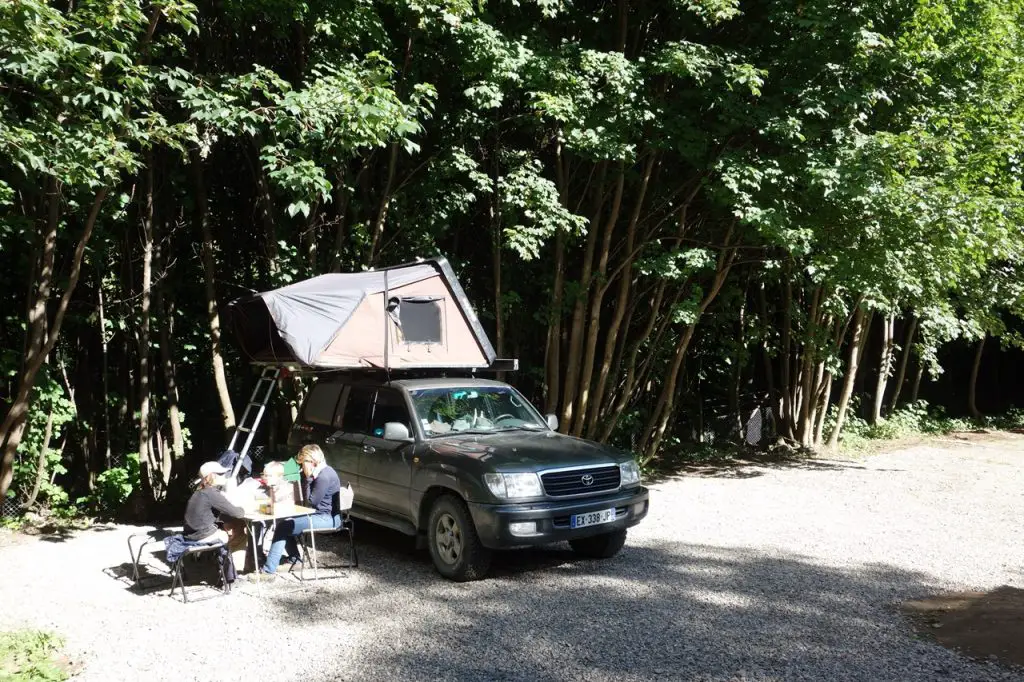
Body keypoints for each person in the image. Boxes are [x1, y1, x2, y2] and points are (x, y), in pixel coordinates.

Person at [260, 444, 345, 577]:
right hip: (327, 516)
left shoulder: (323, 476)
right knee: (286, 523)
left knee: (283, 527)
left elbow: (311, 502)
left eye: (302, 463)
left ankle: (268, 570)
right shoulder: (326, 471)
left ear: (310, 461)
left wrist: (309, 478)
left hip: (327, 519)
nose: (301, 467)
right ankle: (295, 559)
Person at [183, 461, 246, 545]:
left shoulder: (199, 491)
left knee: (228, 524)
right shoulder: (211, 493)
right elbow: (238, 513)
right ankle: (231, 556)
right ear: (212, 475)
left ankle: (218, 555)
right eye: (221, 473)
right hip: (201, 536)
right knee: (240, 530)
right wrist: (244, 508)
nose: (225, 475)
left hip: (190, 534)